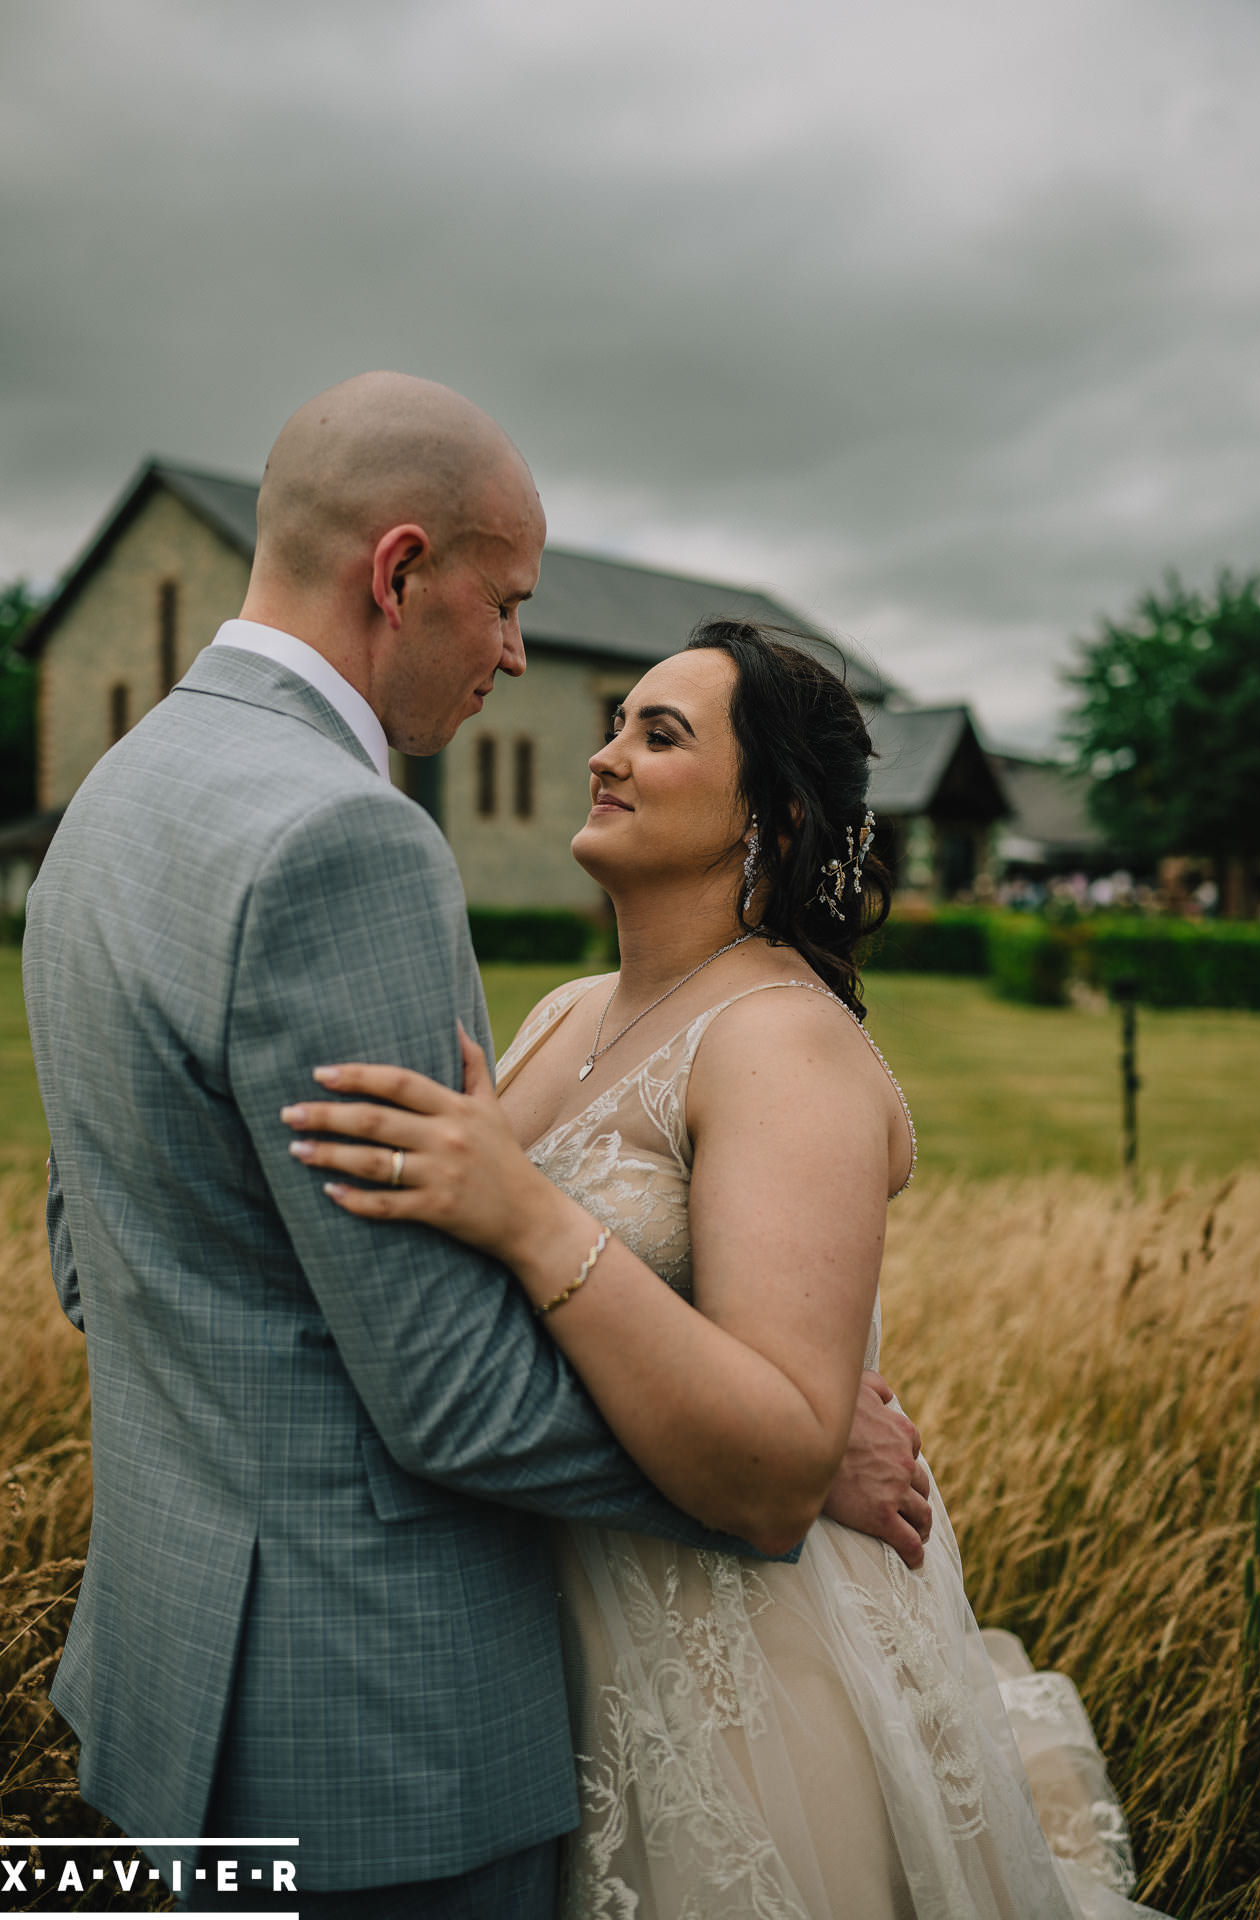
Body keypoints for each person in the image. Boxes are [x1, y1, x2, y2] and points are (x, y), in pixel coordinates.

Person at [21, 378, 929, 1919]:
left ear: (769, 818)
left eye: (654, 729)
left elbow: (91, 1248)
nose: (521, 659)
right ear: (398, 572)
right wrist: (773, 1460)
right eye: (506, 605)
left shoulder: (114, 798)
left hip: (184, 1671)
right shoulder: (349, 843)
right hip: (377, 1722)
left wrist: (753, 1425)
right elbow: (447, 1394)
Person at [286, 621, 1171, 1919]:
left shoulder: (782, 1042)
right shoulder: (565, 1011)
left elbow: (769, 1462)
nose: (605, 756)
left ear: (776, 813)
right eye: (616, 725)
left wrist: (528, 1218)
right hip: (564, 1643)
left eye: (660, 735)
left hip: (746, 1677)